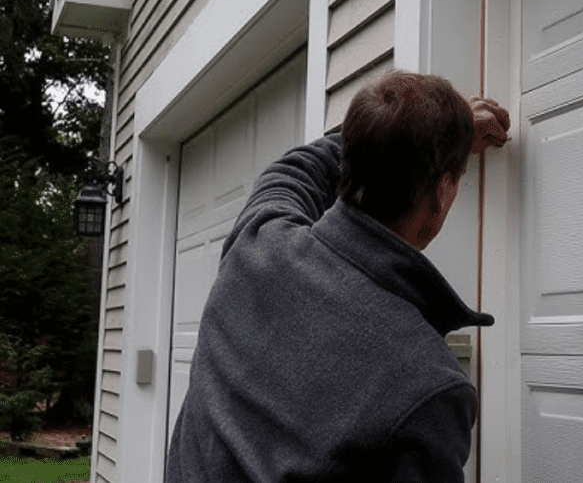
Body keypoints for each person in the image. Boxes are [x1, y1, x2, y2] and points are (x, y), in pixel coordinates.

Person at [165, 71, 511, 482]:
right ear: (442, 192)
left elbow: (295, 168)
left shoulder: (258, 244)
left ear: (352, 160)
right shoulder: (426, 387)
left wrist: (409, 138)